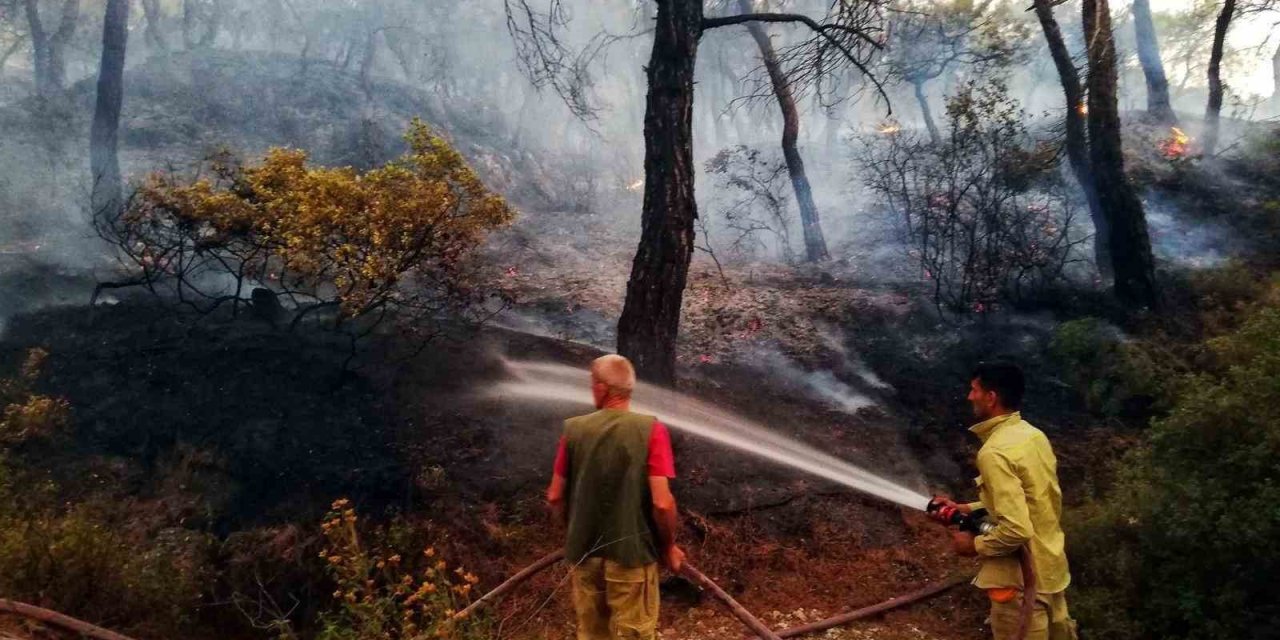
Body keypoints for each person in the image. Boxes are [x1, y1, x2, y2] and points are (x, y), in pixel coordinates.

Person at [933, 362, 1077, 640]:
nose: (969, 396)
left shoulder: (994, 452)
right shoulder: (1033, 436)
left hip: (1022, 586)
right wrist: (965, 509)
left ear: (991, 397)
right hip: (1052, 572)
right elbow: (1034, 501)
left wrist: (973, 545)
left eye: (974, 390)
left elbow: (1017, 529)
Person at [545, 354, 684, 640]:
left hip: (584, 556)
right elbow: (662, 502)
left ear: (601, 388)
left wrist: (574, 534)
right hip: (632, 560)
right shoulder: (652, 431)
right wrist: (669, 546)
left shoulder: (573, 431)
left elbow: (555, 497)